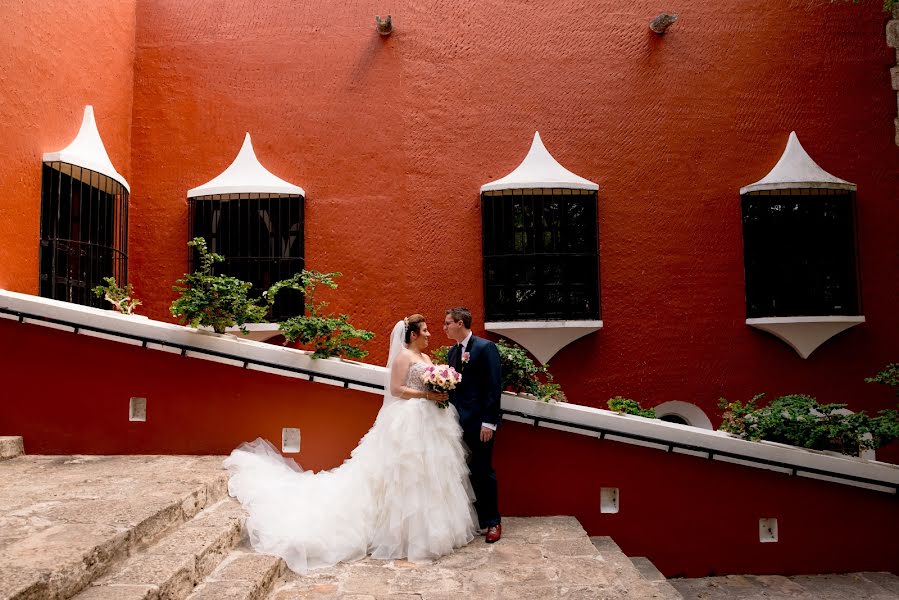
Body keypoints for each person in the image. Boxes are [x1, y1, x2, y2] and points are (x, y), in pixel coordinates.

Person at [224, 314, 477, 573]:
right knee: (405, 475)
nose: (429, 334)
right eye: (425, 331)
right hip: (407, 422)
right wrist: (426, 394)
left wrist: (439, 390)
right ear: (413, 334)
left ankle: (432, 530)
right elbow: (396, 389)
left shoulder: (425, 359)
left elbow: (427, 381)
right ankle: (403, 534)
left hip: (431, 421)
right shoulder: (404, 357)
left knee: (429, 475)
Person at [443, 307, 503, 543]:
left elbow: (493, 387)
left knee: (483, 471)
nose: (444, 327)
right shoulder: (451, 353)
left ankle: (493, 522)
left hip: (480, 424)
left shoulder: (485, 347)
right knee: (464, 473)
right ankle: (476, 521)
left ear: (460, 323)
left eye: (448, 323)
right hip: (457, 424)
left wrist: (488, 422)